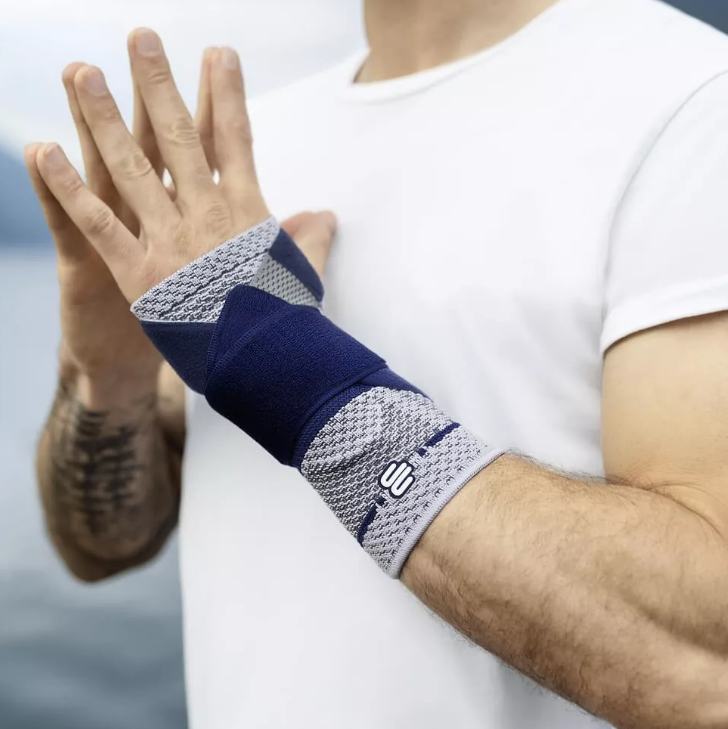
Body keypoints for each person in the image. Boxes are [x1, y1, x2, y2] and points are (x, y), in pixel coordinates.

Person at [25, 0, 728, 726]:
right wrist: (109, 375)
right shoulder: (245, 152)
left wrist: (277, 360)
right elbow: (103, 546)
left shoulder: (692, 106)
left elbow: (710, 661)